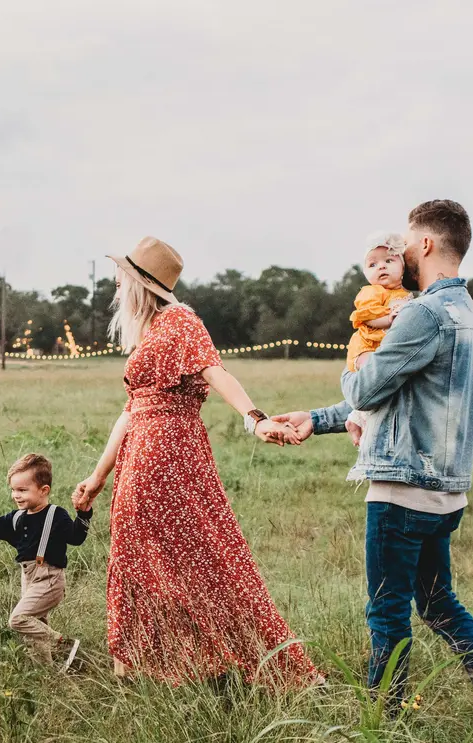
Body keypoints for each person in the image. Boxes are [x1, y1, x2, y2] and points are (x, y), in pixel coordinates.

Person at [273, 201, 473, 729]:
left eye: (408, 244)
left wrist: (358, 365)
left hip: (401, 491)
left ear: (428, 245)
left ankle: (384, 727)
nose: (402, 253)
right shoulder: (467, 315)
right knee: (439, 604)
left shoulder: (421, 313)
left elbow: (368, 386)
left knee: (387, 613)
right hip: (446, 493)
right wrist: (318, 419)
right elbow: (402, 396)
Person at [71, 236, 320, 686]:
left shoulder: (180, 321)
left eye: (121, 277)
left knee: (199, 557)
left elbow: (215, 370)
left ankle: (217, 661)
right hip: (142, 454)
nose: (115, 285)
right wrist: (97, 475)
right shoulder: (150, 331)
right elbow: (130, 411)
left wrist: (255, 418)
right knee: (145, 559)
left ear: (139, 283)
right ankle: (147, 667)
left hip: (167, 454)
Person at [0, 453, 90, 670]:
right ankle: (45, 673)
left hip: (49, 578)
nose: (16, 495)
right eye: (13, 490)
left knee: (19, 619)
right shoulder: (16, 518)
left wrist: (83, 513)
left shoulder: (55, 515)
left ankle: (64, 644)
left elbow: (76, 538)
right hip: (28, 577)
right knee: (35, 628)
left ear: (44, 491)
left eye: (22, 490)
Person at [344, 232, 413, 439]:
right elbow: (368, 317)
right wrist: (390, 319)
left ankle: (356, 419)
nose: (381, 267)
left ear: (403, 267)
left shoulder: (405, 295)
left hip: (382, 347)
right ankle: (360, 421)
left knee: (385, 383)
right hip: (365, 347)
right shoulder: (372, 291)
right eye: (373, 265)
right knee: (374, 376)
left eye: (389, 261)